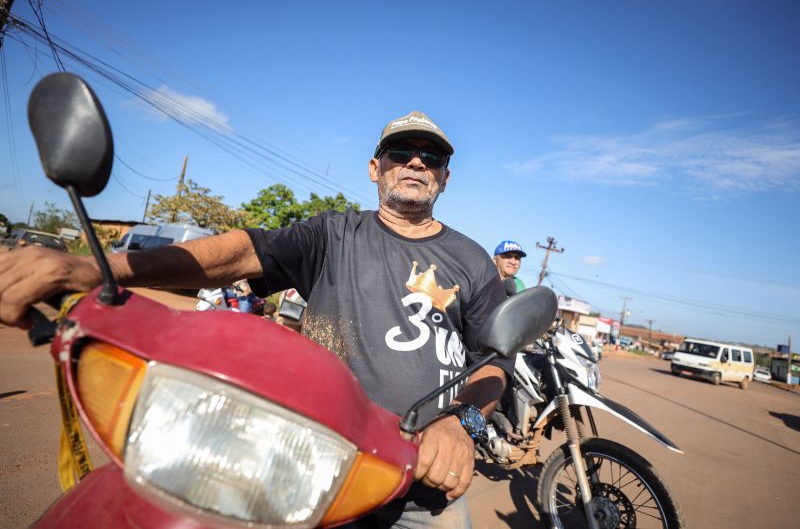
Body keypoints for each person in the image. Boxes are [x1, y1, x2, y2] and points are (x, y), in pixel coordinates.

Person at [0, 110, 509, 528]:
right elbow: (241, 252)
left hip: (426, 483)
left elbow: (492, 361)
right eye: (402, 151)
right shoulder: (333, 235)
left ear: (444, 175)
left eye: (433, 156)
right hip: (313, 467)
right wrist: (91, 269)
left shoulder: (471, 260)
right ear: (376, 168)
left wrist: (460, 426)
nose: (416, 161)